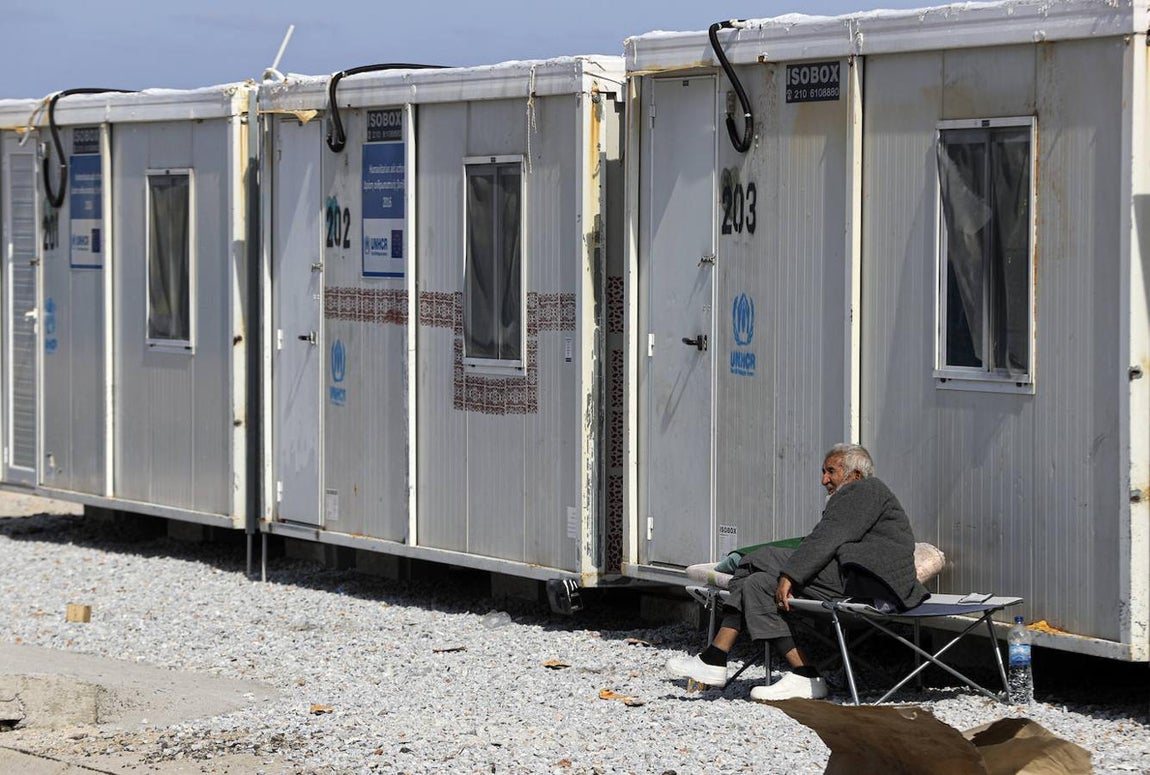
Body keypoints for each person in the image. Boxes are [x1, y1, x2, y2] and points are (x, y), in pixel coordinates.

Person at [666, 443, 929, 701]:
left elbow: (826, 538)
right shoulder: (859, 496)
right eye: (823, 472)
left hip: (869, 582)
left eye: (831, 471)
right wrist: (787, 573)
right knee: (757, 584)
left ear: (856, 474)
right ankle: (805, 674)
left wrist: (790, 575)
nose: (824, 480)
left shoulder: (865, 489)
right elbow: (825, 540)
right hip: (855, 578)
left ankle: (715, 656)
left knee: (755, 558)